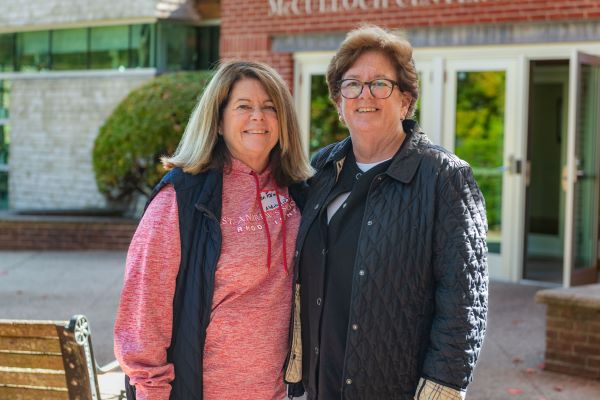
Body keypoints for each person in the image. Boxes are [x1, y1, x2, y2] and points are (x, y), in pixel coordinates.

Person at [284, 25, 488, 400]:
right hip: (320, 382)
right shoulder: (322, 168)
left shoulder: (444, 176)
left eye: (380, 83)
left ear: (405, 101)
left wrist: (440, 392)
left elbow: (464, 305)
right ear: (338, 101)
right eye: (352, 85)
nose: (365, 95)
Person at [114, 60, 313, 400]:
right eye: (243, 106)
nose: (258, 117)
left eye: (270, 108)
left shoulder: (299, 194)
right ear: (219, 121)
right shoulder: (180, 199)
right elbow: (143, 318)